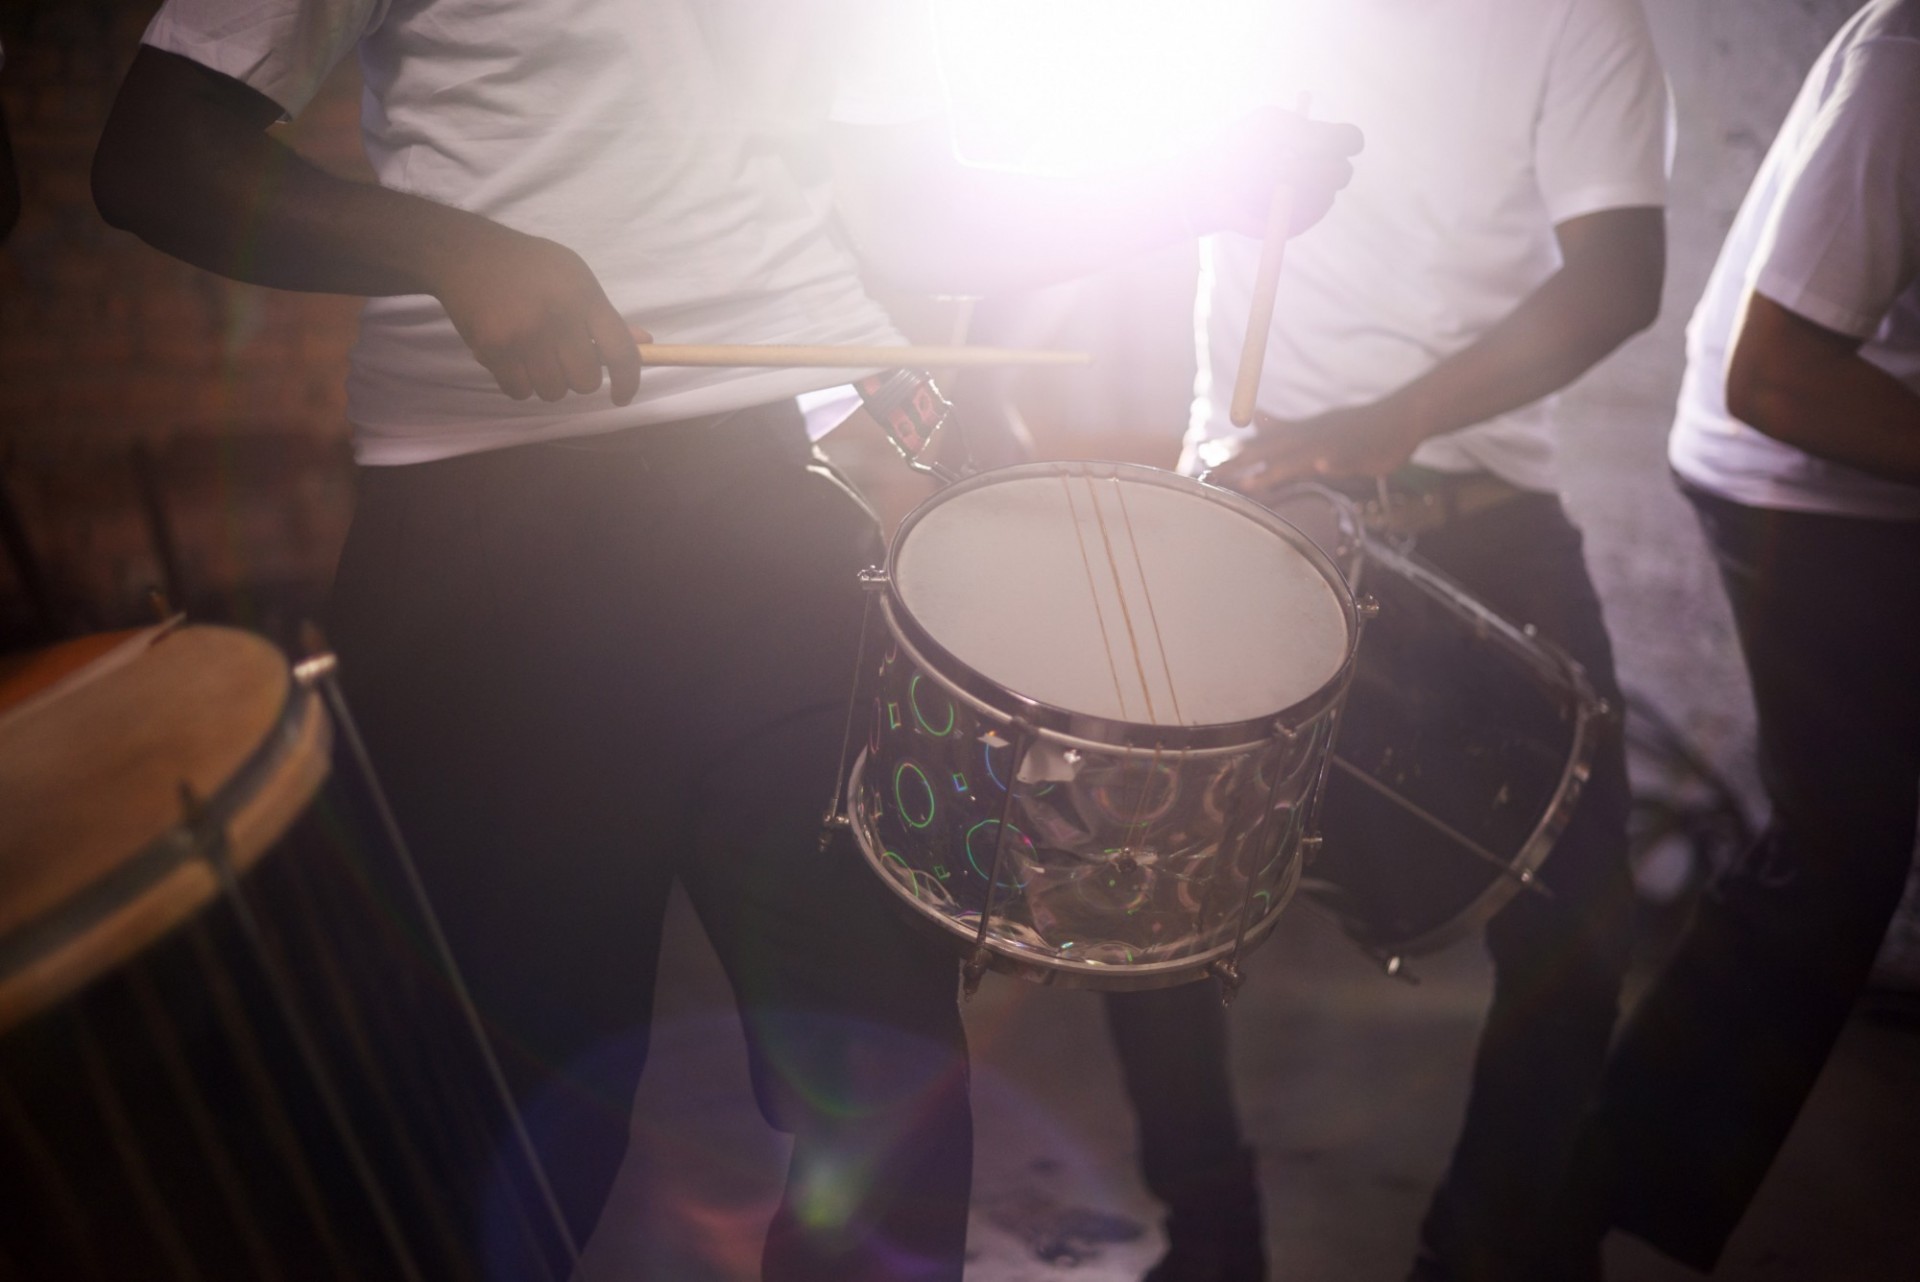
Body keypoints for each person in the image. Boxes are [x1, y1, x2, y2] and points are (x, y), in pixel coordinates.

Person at [89, 4, 1358, 1278]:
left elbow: (912, 212)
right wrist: (448, 247)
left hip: (768, 523)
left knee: (890, 1106)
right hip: (488, 556)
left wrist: (1199, 184)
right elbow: (160, 152)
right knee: (523, 1129)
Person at [1105, 2, 1670, 1279]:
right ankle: (1210, 1237)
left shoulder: (1579, 17)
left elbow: (1620, 275)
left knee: (1578, 927)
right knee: (1135, 896)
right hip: (1254, 497)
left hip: (1480, 509)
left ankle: (1483, 1251)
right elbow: (1116, 195)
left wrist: (1396, 417)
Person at [1558, 1, 1920, 1272]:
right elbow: (1778, 376)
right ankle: (1586, 1190)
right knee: (1841, 849)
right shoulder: (1907, 64)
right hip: (1797, 473)